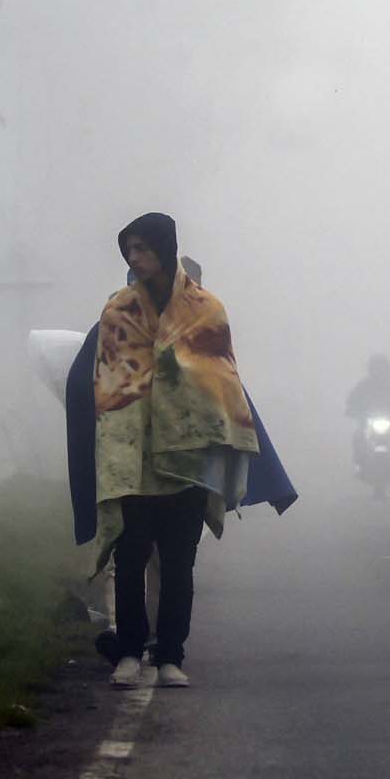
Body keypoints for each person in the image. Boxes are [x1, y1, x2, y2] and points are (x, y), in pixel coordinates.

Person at [90, 213, 261, 689]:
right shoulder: (117, 312)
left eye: (142, 248)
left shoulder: (207, 310)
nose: (133, 257)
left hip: (187, 456)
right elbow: (108, 383)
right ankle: (128, 652)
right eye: (129, 249)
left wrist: (177, 375)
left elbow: (220, 379)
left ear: (165, 249)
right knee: (130, 555)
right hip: (135, 453)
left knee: (179, 561)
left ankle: (170, 655)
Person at [345, 354, 390, 466]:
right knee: (358, 434)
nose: (378, 372)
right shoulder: (365, 384)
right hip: (368, 418)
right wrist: (351, 408)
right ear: (371, 369)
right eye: (376, 368)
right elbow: (353, 398)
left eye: (381, 368)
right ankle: (359, 458)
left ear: (387, 369)